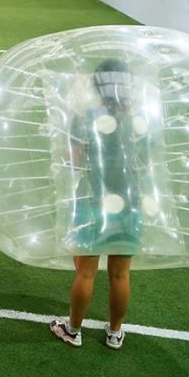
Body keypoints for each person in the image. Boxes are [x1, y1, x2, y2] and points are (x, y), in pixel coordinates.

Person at [50, 59, 142, 350]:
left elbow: (74, 161)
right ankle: (114, 333)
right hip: (130, 202)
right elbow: (145, 162)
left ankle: (73, 329)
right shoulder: (140, 119)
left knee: (86, 272)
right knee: (120, 273)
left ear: (97, 85)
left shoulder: (85, 117)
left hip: (93, 199)